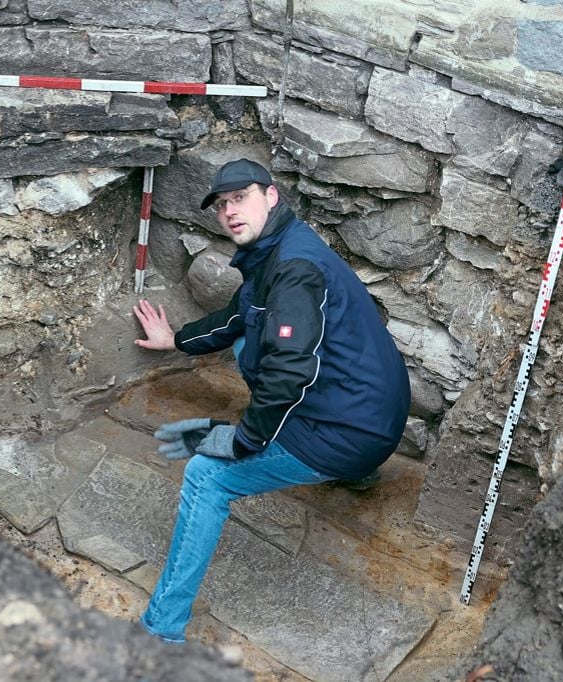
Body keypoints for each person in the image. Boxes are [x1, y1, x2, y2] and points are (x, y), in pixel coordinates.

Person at [132, 158, 411, 644]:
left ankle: (161, 633)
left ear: (271, 194)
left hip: (347, 432)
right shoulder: (280, 249)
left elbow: (289, 372)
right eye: (221, 205)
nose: (229, 212)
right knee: (248, 346)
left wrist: (243, 440)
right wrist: (176, 339)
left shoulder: (295, 271)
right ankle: (355, 472)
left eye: (239, 198)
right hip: (373, 407)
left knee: (207, 476)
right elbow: (237, 319)